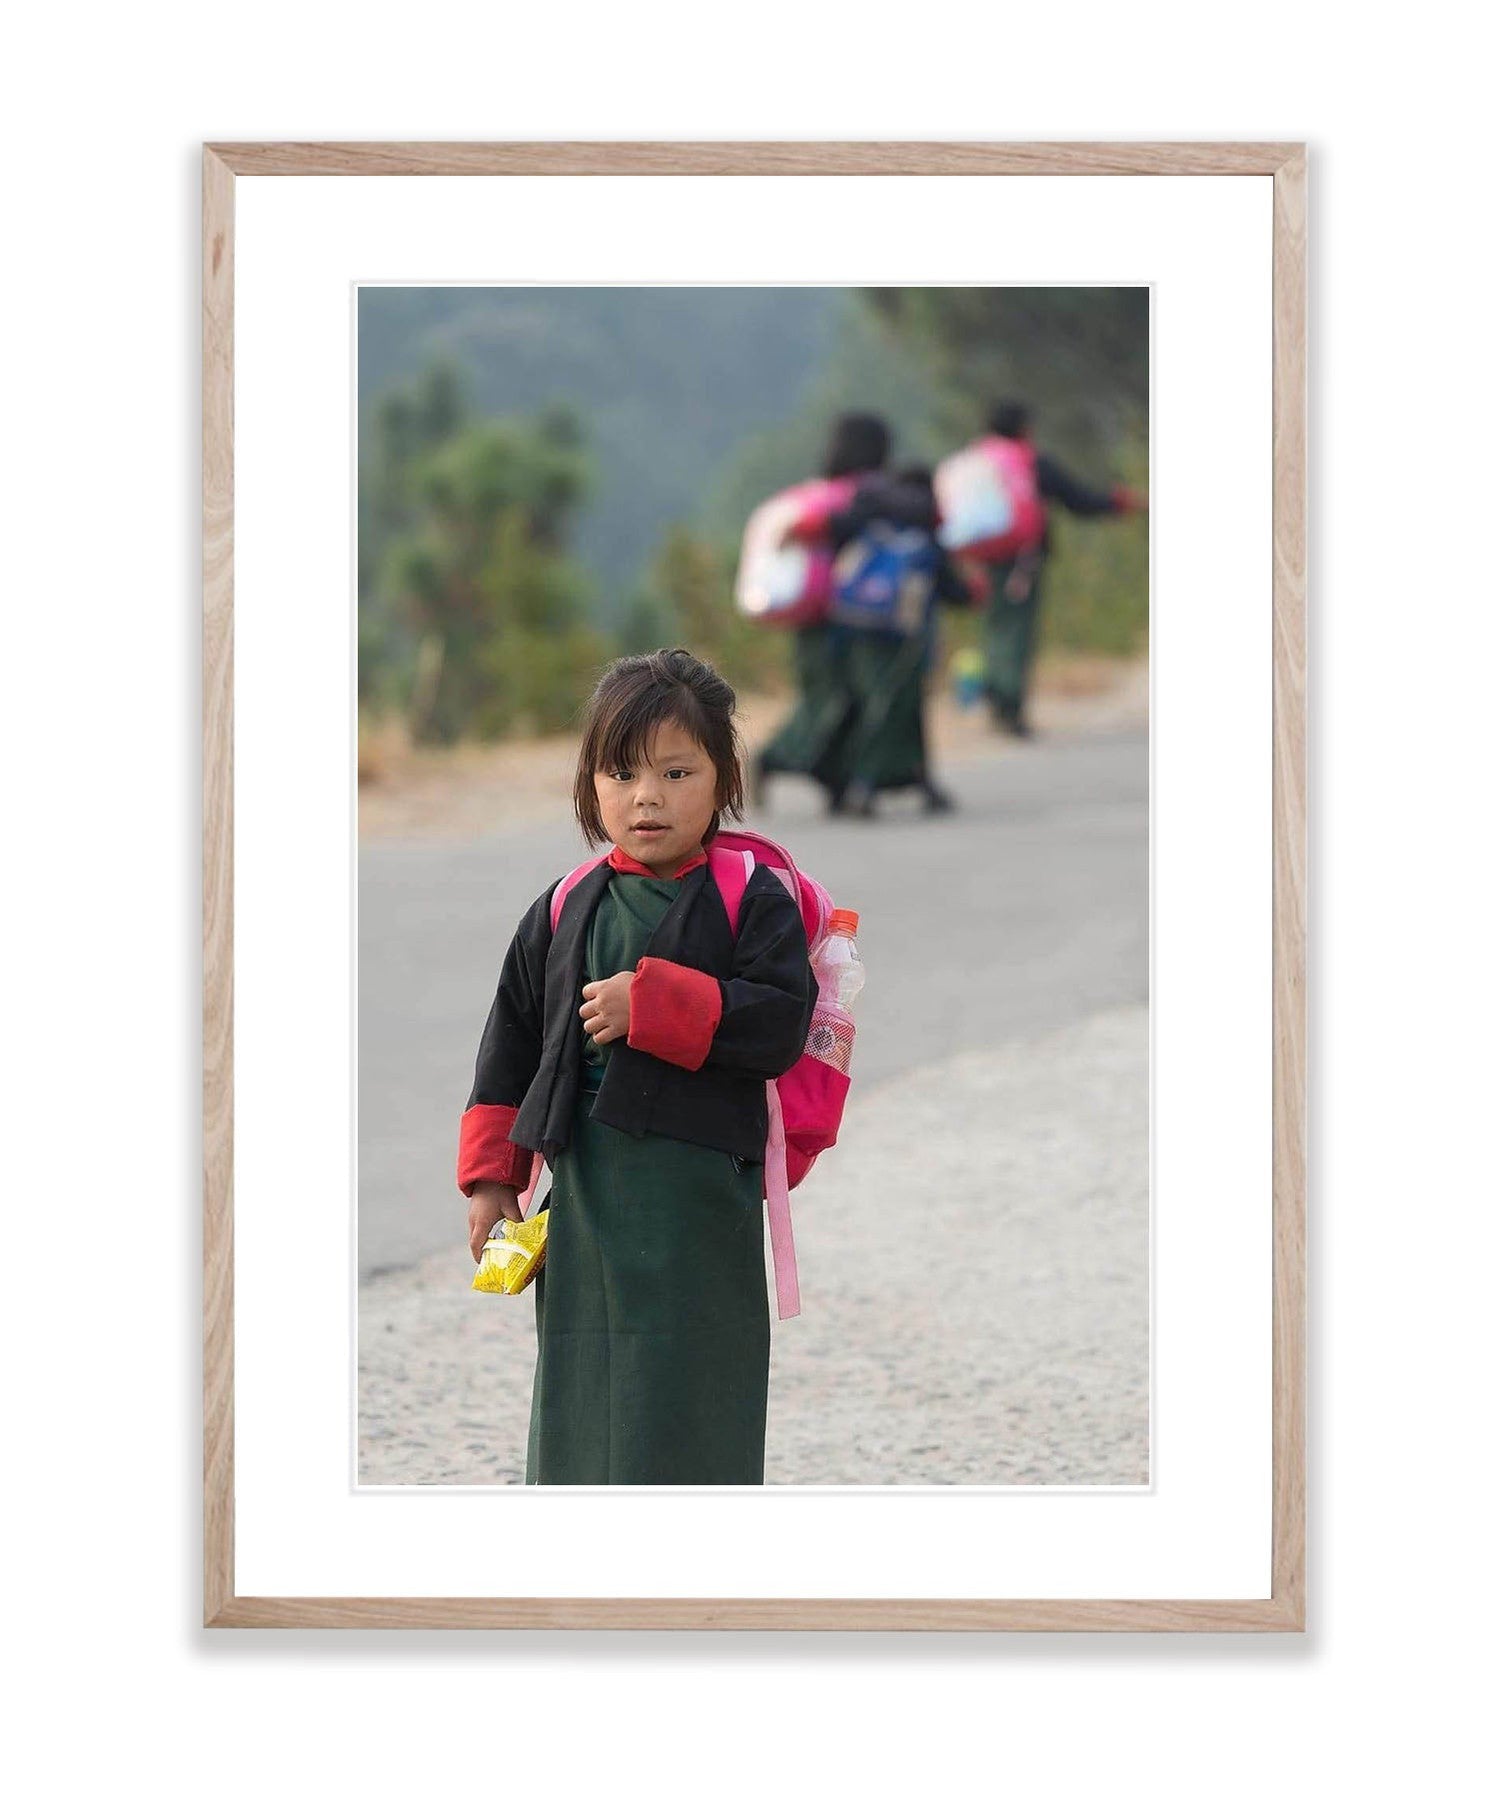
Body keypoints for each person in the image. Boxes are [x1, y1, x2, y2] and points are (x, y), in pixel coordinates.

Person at [457, 648, 816, 1485]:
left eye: (676, 771)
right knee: (585, 1373)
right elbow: (509, 1044)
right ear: (589, 786)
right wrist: (491, 1178)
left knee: (695, 1378)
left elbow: (776, 1023)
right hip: (587, 1189)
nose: (645, 796)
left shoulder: (750, 895)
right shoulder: (563, 903)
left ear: (725, 778)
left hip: (699, 1196)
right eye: (618, 773)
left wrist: (651, 1007)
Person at [753, 411, 914, 812]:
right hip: (844, 617)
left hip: (819, 614)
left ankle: (834, 780)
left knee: (837, 699)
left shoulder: (822, 496)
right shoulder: (864, 494)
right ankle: (775, 758)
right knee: (832, 700)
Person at [970, 400, 1145, 736]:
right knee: (1017, 631)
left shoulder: (977, 461)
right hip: (1023, 561)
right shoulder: (1032, 463)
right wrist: (1121, 502)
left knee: (994, 627)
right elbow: (1078, 500)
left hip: (982, 560)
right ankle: (1009, 708)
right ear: (1024, 428)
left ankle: (994, 697)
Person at [826, 463, 974, 818]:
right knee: (894, 708)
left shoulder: (870, 517)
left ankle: (913, 783)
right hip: (905, 636)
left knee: (879, 705)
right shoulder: (923, 528)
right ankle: (863, 785)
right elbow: (955, 590)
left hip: (856, 627)